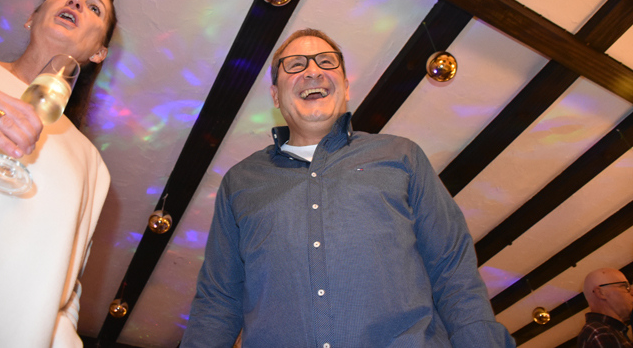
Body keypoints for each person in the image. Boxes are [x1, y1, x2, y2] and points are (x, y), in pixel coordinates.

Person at [181, 28, 514, 347]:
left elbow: (453, 273)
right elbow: (218, 300)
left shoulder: (402, 155)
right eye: (295, 65)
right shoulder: (239, 182)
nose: (313, 71)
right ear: (275, 95)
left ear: (345, 85)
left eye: (327, 62)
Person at [0, 0, 117, 347]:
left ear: (99, 52)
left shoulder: (91, 163)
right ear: (32, 16)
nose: (76, 2)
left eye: (94, 8)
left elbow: (68, 286)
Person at [577, 268, 633, 347]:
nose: (632, 292)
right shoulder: (599, 332)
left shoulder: (606, 331)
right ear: (601, 292)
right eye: (625, 286)